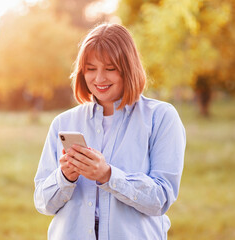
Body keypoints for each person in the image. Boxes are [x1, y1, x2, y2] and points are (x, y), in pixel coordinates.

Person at [34, 23, 186, 240]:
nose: (99, 79)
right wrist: (65, 177)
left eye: (110, 68)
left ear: (128, 68)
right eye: (91, 69)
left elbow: (161, 198)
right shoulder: (63, 123)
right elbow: (43, 203)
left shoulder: (161, 117)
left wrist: (108, 175)